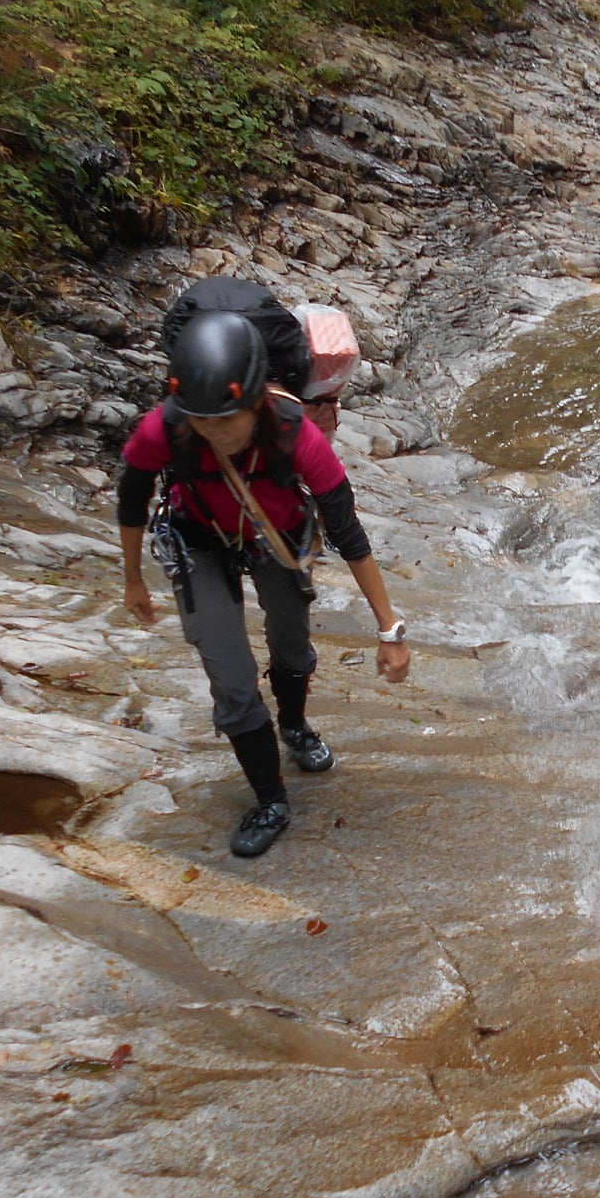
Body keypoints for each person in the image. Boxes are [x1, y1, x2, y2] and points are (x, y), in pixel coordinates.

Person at [115, 307, 411, 856]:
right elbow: (132, 499)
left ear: (256, 401)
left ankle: (294, 725)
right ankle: (270, 799)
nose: (214, 435)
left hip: (276, 536)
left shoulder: (298, 435)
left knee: (292, 645)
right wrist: (133, 579)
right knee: (230, 678)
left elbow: (349, 533)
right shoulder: (167, 425)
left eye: (227, 421)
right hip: (198, 538)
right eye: (203, 421)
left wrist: (389, 629)